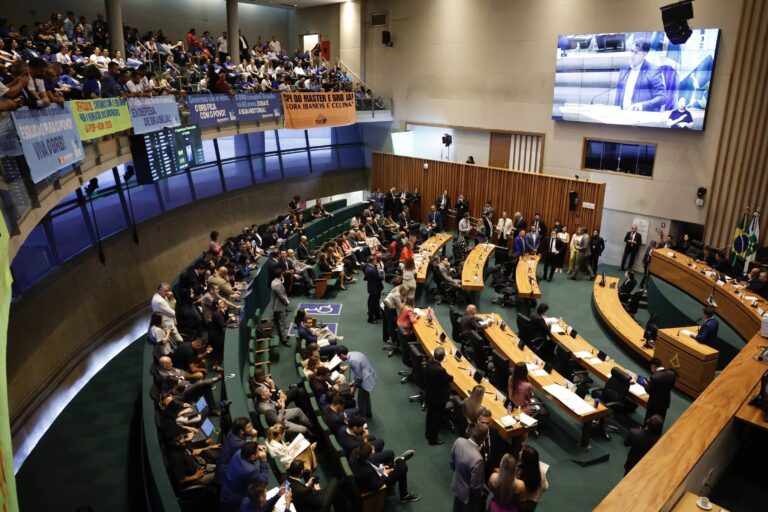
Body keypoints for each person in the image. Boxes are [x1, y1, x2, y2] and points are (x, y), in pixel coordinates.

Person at [350, 441, 420, 504]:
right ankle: (404, 496)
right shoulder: (365, 472)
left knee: (390, 456)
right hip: (378, 485)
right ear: (369, 456)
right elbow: (376, 485)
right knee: (403, 467)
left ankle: (397, 463)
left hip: (375, 473)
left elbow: (370, 462)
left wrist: (381, 467)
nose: (373, 448)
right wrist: (386, 474)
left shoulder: (356, 453)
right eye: (372, 450)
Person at [614, 38, 666, 112]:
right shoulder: (624, 69)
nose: (632, 56)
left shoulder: (653, 70)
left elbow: (662, 98)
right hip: (622, 117)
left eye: (636, 53)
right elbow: (618, 95)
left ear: (644, 54)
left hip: (641, 119)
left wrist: (641, 106)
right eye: (631, 51)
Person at [220, 442, 269, 511]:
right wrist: (263, 460)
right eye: (258, 451)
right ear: (252, 457)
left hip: (225, 490)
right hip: (233, 501)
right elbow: (263, 482)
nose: (260, 453)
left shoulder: (239, 452)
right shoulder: (250, 470)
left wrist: (257, 447)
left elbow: (248, 449)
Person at [450, 423, 488, 512]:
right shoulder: (478, 459)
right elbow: (475, 486)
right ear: (483, 439)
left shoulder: (458, 441)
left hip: (457, 485)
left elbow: (452, 463)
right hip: (468, 496)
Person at [424, 346, 454, 445]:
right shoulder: (440, 371)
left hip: (430, 394)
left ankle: (428, 434)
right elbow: (449, 379)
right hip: (439, 398)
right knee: (437, 418)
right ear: (443, 357)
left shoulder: (429, 363)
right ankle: (433, 439)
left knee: (430, 414)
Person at [337, 345, 376, 418]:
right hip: (369, 374)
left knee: (361, 400)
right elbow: (358, 372)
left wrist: (353, 389)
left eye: (339, 357)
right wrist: (354, 381)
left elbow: (359, 377)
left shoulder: (353, 361)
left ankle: (362, 417)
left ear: (342, 354)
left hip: (365, 380)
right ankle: (368, 413)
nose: (340, 358)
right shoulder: (354, 353)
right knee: (366, 396)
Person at [216, 417, 258, 483]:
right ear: (241, 431)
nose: (252, 428)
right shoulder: (239, 444)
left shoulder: (232, 431)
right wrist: (254, 437)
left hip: (222, 467)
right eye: (249, 427)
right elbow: (253, 453)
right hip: (226, 475)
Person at [642, 356, 677, 425]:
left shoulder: (654, 377)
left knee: (649, 422)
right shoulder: (672, 374)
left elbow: (649, 390)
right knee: (660, 421)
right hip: (665, 403)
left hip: (654, 404)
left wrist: (645, 384)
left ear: (653, 366)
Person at [270, 268, 290, 347]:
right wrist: (287, 302)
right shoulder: (277, 285)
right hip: (279, 306)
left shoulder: (274, 281)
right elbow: (282, 296)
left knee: (279, 322)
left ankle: (282, 335)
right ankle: (283, 339)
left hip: (277, 305)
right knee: (281, 323)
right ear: (281, 275)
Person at [363, 256, 384, 323]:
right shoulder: (371, 270)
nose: (376, 262)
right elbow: (381, 277)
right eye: (375, 260)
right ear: (372, 261)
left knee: (376, 301)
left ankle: (377, 315)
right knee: (372, 303)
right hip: (375, 288)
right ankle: (371, 318)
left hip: (373, 286)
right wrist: (380, 270)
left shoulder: (367, 266)